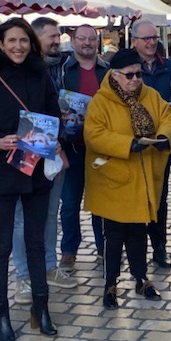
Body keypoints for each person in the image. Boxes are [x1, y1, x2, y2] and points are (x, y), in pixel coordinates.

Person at [0, 18, 61, 341]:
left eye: (23, 40)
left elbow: (53, 115)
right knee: (1, 246)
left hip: (35, 171)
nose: (18, 46)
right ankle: (1, 312)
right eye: (11, 41)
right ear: (0, 45)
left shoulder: (40, 74)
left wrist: (54, 137)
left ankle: (41, 308)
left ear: (31, 43)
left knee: (37, 243)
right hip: (1, 173)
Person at [84, 48, 171, 309]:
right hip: (113, 179)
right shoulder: (101, 101)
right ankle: (110, 284)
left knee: (139, 232)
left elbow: (169, 117)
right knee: (113, 236)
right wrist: (127, 144)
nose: (135, 79)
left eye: (138, 74)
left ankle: (141, 278)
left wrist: (163, 137)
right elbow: (93, 135)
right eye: (129, 75)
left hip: (143, 178)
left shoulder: (151, 95)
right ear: (115, 76)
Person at [12, 18, 77, 309]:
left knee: (51, 213)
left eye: (58, 36)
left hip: (55, 149)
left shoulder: (60, 66)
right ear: (34, 38)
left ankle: (50, 266)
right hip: (26, 151)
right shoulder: (19, 71)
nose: (57, 41)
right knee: (20, 219)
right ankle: (23, 276)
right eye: (52, 36)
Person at [59, 24, 109, 271]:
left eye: (92, 38)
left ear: (97, 42)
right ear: (73, 41)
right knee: (69, 203)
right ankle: (69, 251)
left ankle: (104, 249)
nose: (87, 43)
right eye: (82, 39)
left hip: (100, 149)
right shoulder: (62, 70)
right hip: (72, 148)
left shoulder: (108, 71)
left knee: (101, 202)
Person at [129, 19, 171, 269]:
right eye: (146, 38)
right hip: (133, 145)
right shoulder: (126, 67)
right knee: (136, 195)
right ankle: (136, 248)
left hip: (159, 145)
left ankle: (160, 247)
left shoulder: (169, 66)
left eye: (154, 38)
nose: (151, 42)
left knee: (160, 196)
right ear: (134, 41)